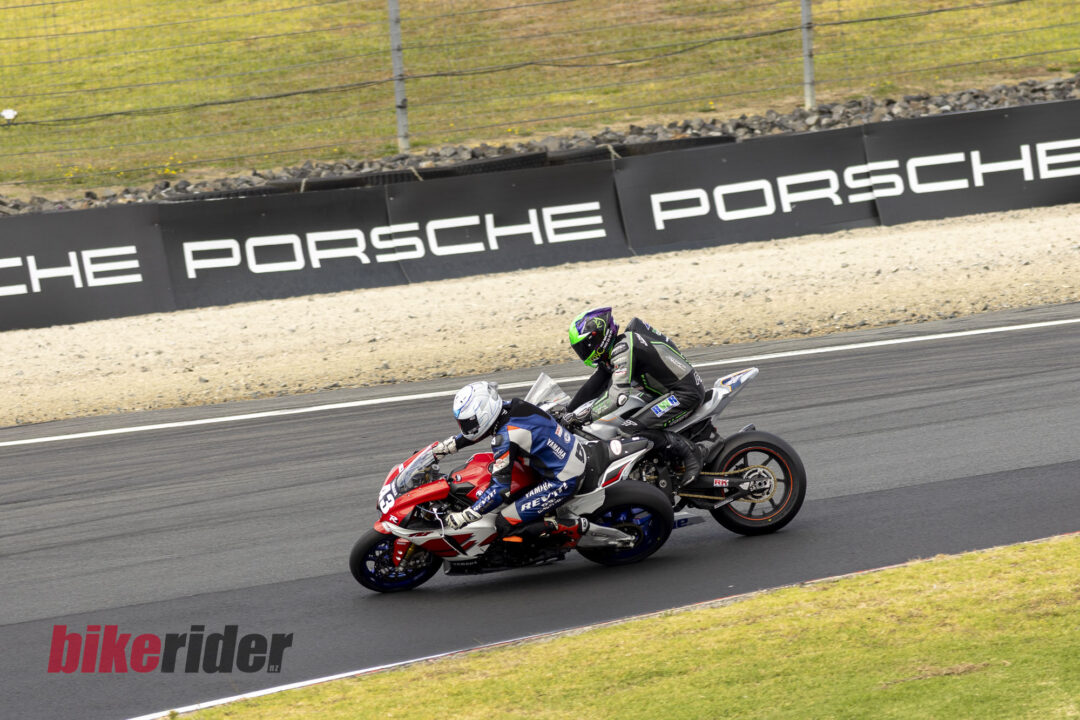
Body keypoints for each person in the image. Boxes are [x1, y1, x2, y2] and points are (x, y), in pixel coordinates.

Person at [426, 380, 591, 537]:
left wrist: (468, 514)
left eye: (468, 423)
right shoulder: (511, 406)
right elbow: (480, 430)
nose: (465, 428)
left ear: (484, 414)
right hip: (563, 454)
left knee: (505, 523)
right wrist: (445, 448)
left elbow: (500, 489)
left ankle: (571, 526)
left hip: (563, 478)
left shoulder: (505, 438)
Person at [566, 306, 704, 485]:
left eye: (587, 345)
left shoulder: (623, 348)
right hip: (665, 393)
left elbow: (617, 396)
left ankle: (690, 451)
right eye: (581, 348)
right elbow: (593, 386)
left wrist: (581, 417)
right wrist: (566, 411)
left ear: (601, 336)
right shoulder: (614, 350)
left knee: (628, 429)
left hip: (684, 394)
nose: (585, 351)